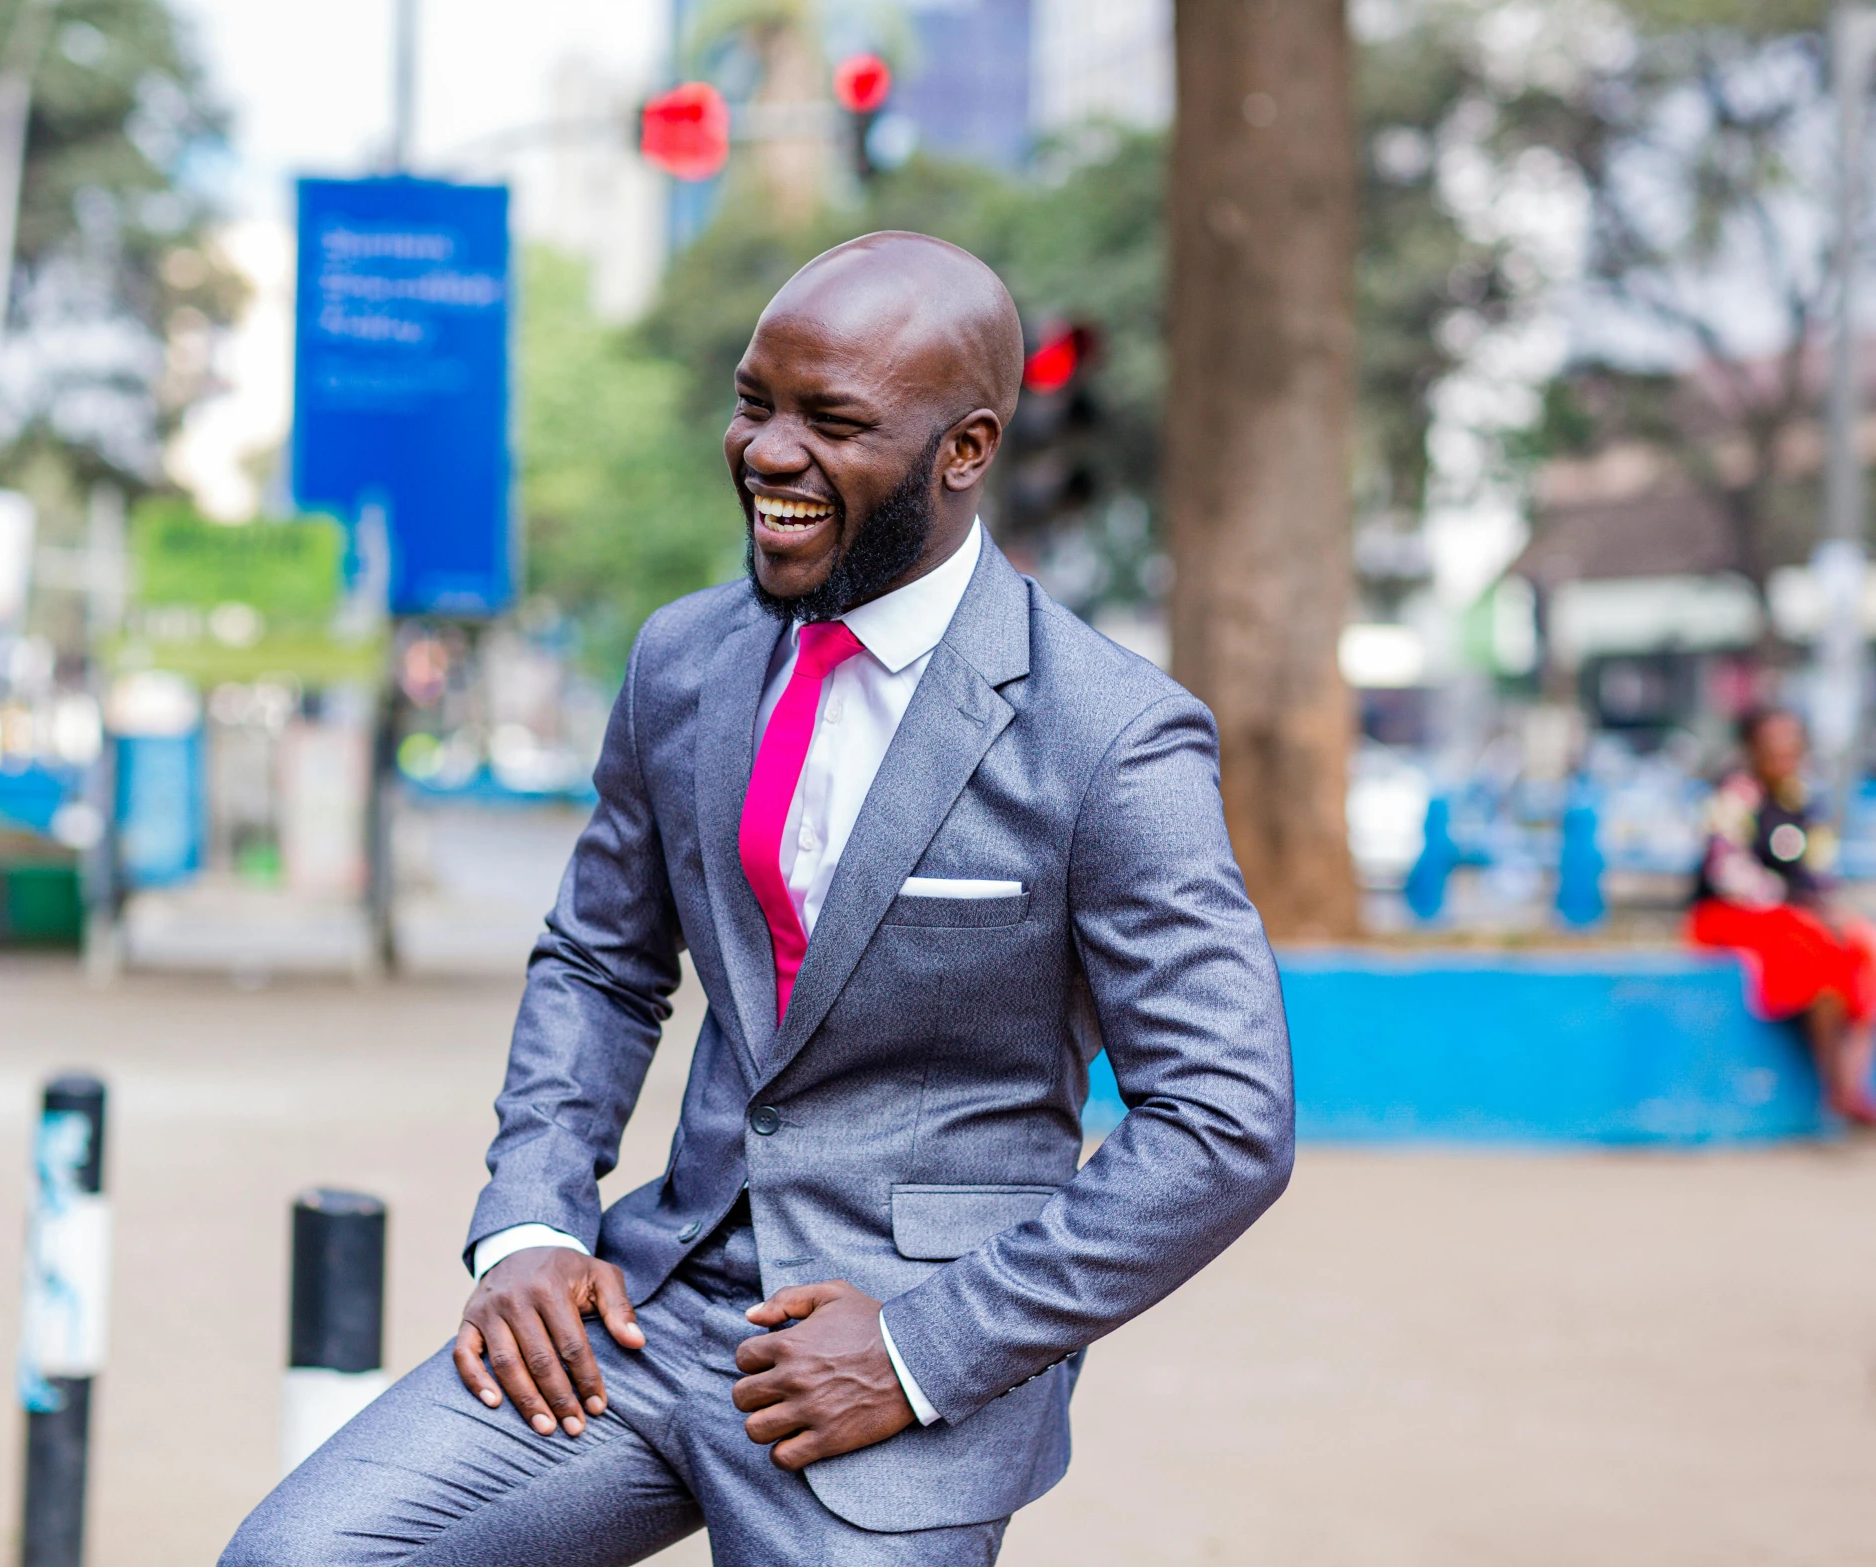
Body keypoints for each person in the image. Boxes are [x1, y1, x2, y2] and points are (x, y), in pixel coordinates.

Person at [220, 233, 1294, 1566]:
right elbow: (602, 959)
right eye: (754, 403)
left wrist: (915, 1349)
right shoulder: (684, 657)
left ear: (963, 451)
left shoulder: (1110, 736)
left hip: (893, 1374)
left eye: (831, 422)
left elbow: (1221, 1119)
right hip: (649, 1309)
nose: (768, 453)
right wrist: (535, 1217)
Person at [1686, 707, 1876, 1125]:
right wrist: (1796, 902)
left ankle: (1852, 1085)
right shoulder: (1735, 797)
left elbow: (1819, 871)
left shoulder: (1804, 800)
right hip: (1734, 916)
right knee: (1816, 949)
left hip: (1794, 916)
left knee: (1864, 947)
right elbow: (1726, 871)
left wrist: (1825, 907)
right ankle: (1837, 1087)